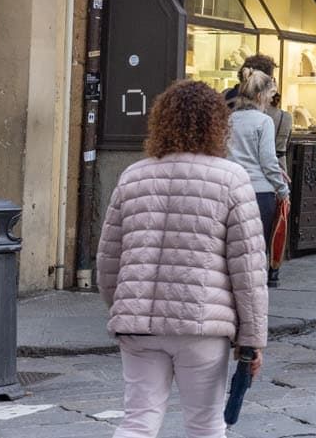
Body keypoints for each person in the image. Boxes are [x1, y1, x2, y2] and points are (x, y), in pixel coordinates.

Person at [98, 80, 267, 438]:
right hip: (201, 325)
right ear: (218, 125)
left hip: (139, 326)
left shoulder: (133, 177)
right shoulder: (232, 179)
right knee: (205, 426)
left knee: (137, 421)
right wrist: (252, 340)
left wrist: (124, 305)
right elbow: (248, 269)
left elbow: (108, 260)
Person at [227, 70, 290, 276]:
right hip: (259, 192)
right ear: (260, 95)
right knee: (256, 248)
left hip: (232, 190)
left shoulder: (230, 119)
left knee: (233, 247)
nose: (272, 98)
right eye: (270, 94)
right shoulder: (264, 122)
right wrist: (282, 190)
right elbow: (268, 162)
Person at [261, 83, 293, 288]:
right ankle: (274, 269)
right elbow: (287, 142)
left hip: (261, 166)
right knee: (279, 221)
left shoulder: (262, 117)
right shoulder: (285, 117)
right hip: (281, 164)